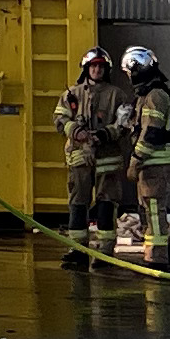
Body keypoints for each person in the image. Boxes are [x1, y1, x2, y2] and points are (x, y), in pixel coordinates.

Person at [55, 47, 133, 264]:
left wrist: (106, 133)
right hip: (79, 161)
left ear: (106, 69)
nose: (97, 69)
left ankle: (105, 252)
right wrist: (76, 131)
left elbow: (125, 125)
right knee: (78, 204)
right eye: (93, 66)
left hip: (107, 161)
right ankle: (78, 250)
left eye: (100, 66)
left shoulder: (117, 95)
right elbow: (59, 120)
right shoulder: (72, 94)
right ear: (86, 68)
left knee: (106, 205)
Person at [122, 43, 170, 268]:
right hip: (154, 163)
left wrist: (135, 161)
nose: (129, 77)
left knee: (154, 211)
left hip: (155, 163)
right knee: (151, 211)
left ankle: (157, 259)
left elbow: (151, 132)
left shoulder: (155, 96)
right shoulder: (150, 94)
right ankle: (165, 253)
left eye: (130, 72)